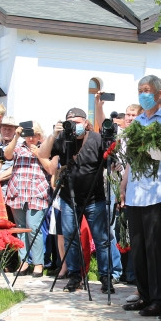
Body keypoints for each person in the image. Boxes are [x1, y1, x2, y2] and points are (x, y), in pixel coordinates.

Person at [121, 76, 161, 316]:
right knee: (139, 250)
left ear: (160, 94)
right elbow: (130, 159)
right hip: (135, 194)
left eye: (147, 90)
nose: (143, 95)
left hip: (159, 193)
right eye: (140, 90)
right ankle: (145, 295)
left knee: (158, 251)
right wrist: (124, 184)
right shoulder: (136, 123)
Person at [39, 108, 114, 292]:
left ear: (85, 122)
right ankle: (75, 277)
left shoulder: (96, 138)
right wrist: (53, 134)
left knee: (102, 239)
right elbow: (43, 154)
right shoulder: (63, 138)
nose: (74, 125)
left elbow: (110, 158)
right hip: (69, 198)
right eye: (70, 122)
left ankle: (106, 277)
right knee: (71, 238)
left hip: (94, 198)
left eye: (77, 122)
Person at [5, 123, 56, 277]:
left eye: (34, 135)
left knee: (34, 228)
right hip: (18, 191)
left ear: (40, 136)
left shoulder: (44, 148)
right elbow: (7, 155)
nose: (31, 138)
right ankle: (24, 262)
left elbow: (50, 169)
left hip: (36, 192)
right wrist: (16, 136)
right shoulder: (18, 147)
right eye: (28, 135)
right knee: (20, 228)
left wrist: (38, 154)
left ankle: (38, 263)